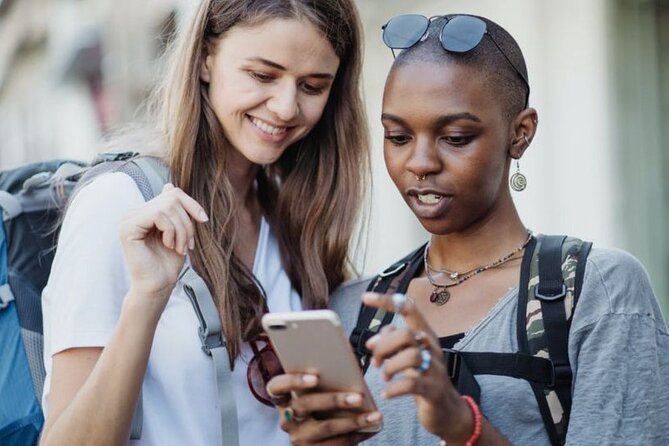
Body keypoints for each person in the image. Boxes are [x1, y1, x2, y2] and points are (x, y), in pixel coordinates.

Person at [267, 13, 669, 445]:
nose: (420, 163)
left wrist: (462, 424)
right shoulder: (352, 313)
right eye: (398, 137)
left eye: (455, 137)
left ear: (521, 133)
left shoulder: (595, 292)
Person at [39, 0, 368, 444]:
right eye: (263, 75)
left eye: (312, 86)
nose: (287, 107)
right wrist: (147, 299)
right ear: (206, 58)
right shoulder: (119, 202)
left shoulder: (292, 216)